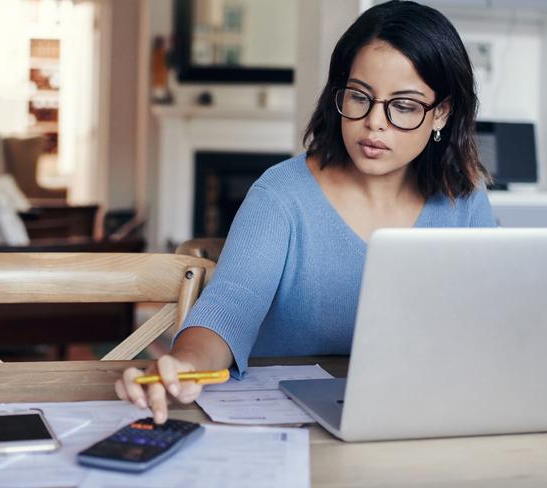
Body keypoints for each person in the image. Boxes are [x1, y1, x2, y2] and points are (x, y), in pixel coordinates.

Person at [116, 0, 496, 423]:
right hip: (288, 423)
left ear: (441, 112)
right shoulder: (280, 195)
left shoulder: (464, 196)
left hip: (417, 415)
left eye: (404, 106)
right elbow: (228, 310)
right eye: (359, 97)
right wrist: (185, 365)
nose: (374, 123)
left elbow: (491, 320)